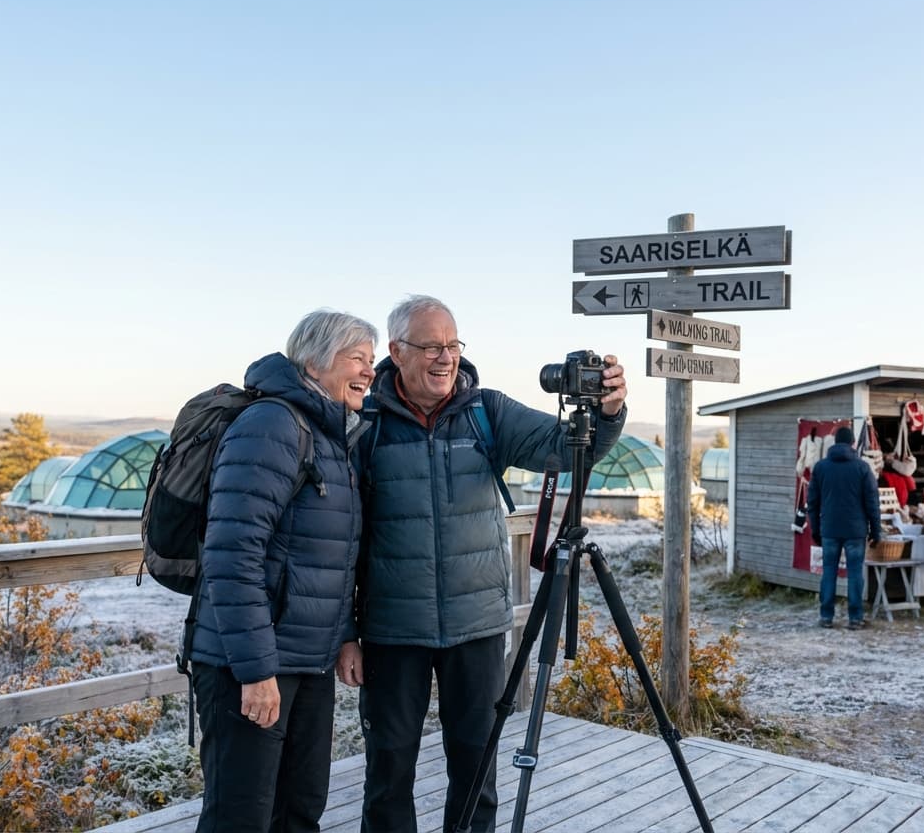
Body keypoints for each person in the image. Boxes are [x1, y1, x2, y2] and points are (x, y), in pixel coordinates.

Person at [346, 294, 628, 833]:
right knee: (388, 774)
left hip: (475, 626)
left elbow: (570, 447)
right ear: (397, 351)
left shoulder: (486, 411)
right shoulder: (366, 420)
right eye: (431, 346)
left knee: (477, 770)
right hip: (390, 629)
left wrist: (608, 412)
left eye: (452, 345)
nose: (445, 357)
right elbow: (338, 536)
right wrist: (346, 633)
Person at [188, 310, 378, 833]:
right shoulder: (271, 425)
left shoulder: (334, 437)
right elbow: (232, 555)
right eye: (357, 358)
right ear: (315, 362)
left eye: (372, 360)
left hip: (306, 662)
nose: (369, 371)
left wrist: (344, 635)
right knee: (240, 817)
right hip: (247, 665)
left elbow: (324, 557)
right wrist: (255, 672)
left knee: (299, 810)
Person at [808, 425, 882, 630]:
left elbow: (812, 503)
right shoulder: (862, 468)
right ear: (853, 443)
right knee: (855, 573)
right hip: (856, 530)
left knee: (829, 571)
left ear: (834, 443)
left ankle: (826, 616)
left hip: (829, 529)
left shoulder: (821, 467)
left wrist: (815, 529)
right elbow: (872, 503)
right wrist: (876, 531)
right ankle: (855, 618)